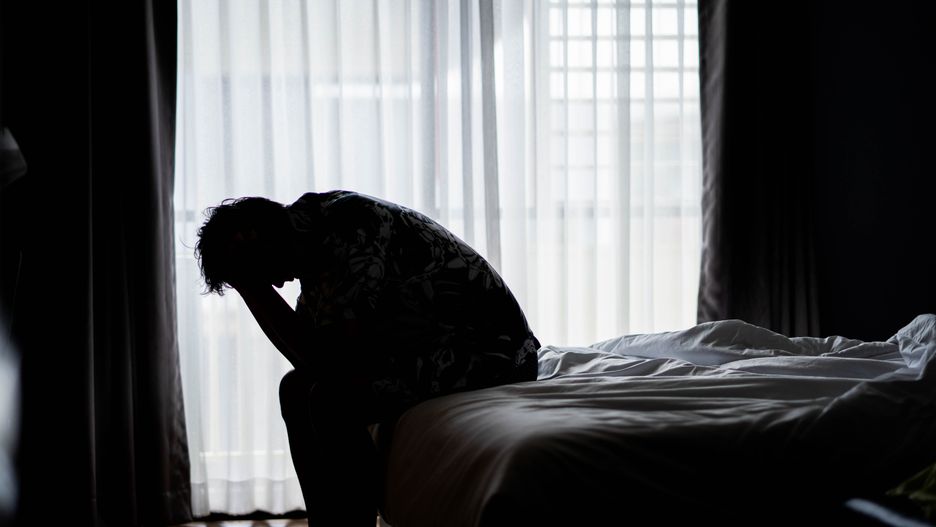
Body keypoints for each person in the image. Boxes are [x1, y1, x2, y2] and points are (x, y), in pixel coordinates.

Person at [195, 190, 540, 525]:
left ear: (262, 241)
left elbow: (329, 363)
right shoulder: (308, 235)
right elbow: (310, 360)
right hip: (435, 345)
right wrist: (252, 289)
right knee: (295, 388)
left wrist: (255, 288)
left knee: (329, 401)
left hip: (494, 352)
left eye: (259, 274)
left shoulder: (348, 226)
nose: (277, 285)